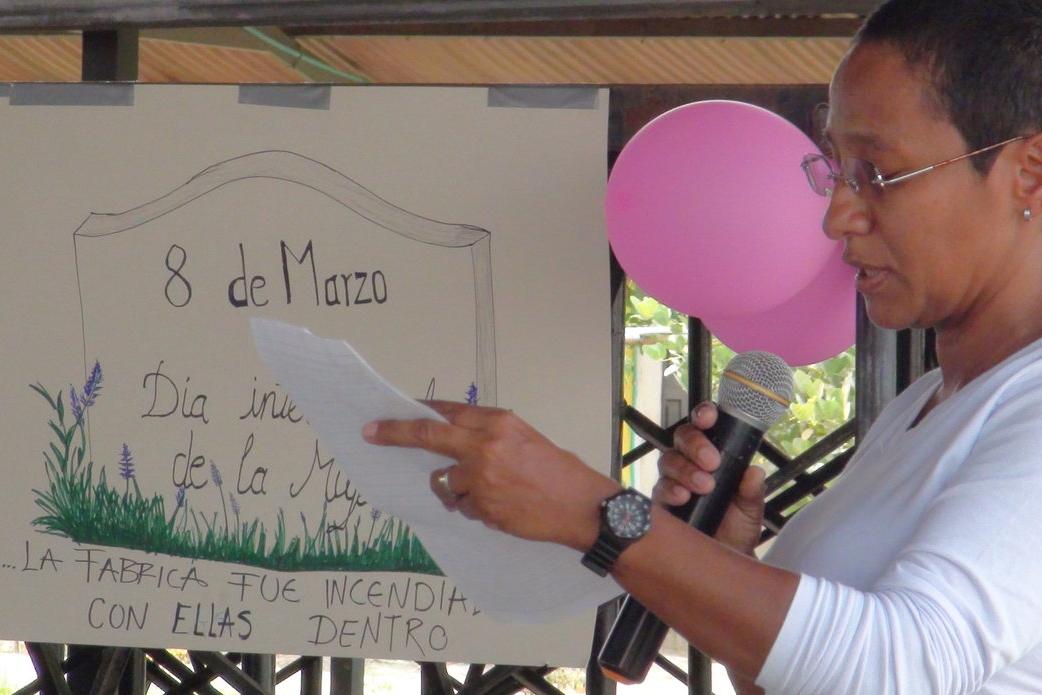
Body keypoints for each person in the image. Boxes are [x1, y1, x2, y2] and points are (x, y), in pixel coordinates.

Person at [362, 0, 1042, 691]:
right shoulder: (927, 404)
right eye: (836, 169)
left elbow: (905, 667)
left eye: (876, 172)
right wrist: (722, 561)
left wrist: (599, 516)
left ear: (1028, 173)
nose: (838, 216)